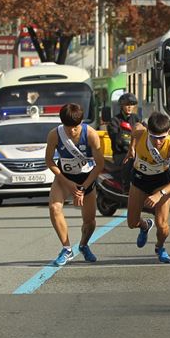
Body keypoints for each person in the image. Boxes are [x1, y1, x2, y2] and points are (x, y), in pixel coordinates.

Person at [45, 103, 105, 266]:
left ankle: (84, 245)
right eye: (68, 127)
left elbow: (99, 164)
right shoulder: (54, 135)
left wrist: (83, 187)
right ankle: (66, 248)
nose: (71, 131)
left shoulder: (91, 134)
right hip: (64, 178)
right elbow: (49, 161)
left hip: (86, 179)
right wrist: (68, 183)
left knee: (90, 222)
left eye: (75, 127)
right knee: (54, 208)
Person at [125, 112, 170, 263]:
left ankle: (160, 246)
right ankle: (145, 226)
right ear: (148, 131)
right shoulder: (140, 132)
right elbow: (134, 130)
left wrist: (160, 194)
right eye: (154, 137)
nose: (158, 142)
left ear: (169, 133)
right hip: (140, 178)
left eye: (162, 138)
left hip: (161, 182)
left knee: (162, 225)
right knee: (132, 223)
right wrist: (131, 148)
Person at [107, 93, 141, 190]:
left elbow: (145, 131)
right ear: (121, 106)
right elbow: (116, 139)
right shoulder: (115, 120)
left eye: (131, 104)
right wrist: (127, 141)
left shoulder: (136, 118)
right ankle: (125, 188)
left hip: (137, 152)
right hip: (121, 153)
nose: (129, 107)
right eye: (126, 104)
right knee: (128, 163)